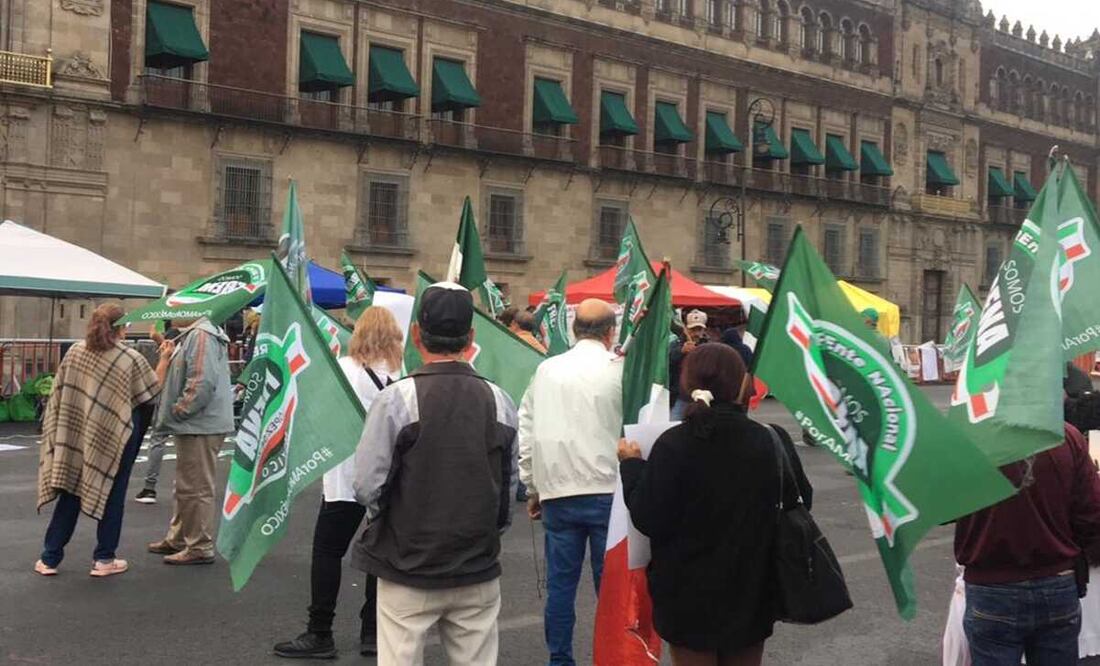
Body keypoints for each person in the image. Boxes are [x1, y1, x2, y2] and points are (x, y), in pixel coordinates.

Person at [351, 282, 518, 665]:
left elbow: (367, 485)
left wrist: (391, 521)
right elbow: (508, 488)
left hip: (407, 563)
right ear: (470, 337)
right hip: (475, 563)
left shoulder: (398, 398)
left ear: (416, 334)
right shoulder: (499, 399)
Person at [618, 343, 811, 666]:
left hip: (687, 591)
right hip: (753, 586)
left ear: (688, 385)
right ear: (741, 384)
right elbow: (801, 501)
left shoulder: (673, 444)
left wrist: (632, 465)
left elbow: (647, 516)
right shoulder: (770, 439)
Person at [274, 306, 404, 659]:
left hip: (346, 476)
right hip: (387, 477)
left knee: (328, 552)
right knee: (379, 555)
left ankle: (320, 631)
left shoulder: (343, 371)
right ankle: (373, 632)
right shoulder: (399, 375)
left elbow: (315, 411)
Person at [518, 298, 623, 666]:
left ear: (575, 330)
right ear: (611, 333)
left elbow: (527, 428)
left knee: (560, 588)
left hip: (558, 491)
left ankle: (560, 660)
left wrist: (532, 485)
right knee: (610, 591)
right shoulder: (619, 368)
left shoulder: (546, 370)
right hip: (608, 490)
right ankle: (610, 657)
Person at [35, 303, 166, 577]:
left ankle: (49, 558)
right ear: (121, 327)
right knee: (113, 494)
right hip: (116, 436)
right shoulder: (129, 358)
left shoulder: (75, 352)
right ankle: (104, 559)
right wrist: (165, 357)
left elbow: (61, 396)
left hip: (77, 432)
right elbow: (151, 391)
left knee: (71, 491)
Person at [955, 422, 1100, 666]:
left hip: (991, 585)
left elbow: (941, 504)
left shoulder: (967, 435)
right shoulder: (1065, 435)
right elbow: (1091, 511)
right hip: (1057, 579)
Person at [147, 316, 235, 565]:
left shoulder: (200, 336)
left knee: (195, 486)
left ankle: (198, 544)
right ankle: (180, 537)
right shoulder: (196, 334)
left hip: (199, 423)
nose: (170, 315)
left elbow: (200, 382)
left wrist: (179, 409)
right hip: (199, 423)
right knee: (187, 484)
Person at [135, 325, 181, 504]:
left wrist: (156, 336)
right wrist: (156, 336)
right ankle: (185, 488)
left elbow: (156, 384)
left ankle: (149, 487)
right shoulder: (186, 353)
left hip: (164, 401)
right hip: (182, 402)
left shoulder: (167, 356)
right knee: (184, 443)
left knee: (157, 441)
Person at [669, 309, 710, 419]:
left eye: (699, 329)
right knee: (673, 424)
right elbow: (667, 362)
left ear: (704, 330)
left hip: (701, 397)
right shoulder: (676, 344)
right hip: (680, 396)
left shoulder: (709, 347)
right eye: (693, 329)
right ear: (686, 329)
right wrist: (681, 352)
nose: (696, 333)